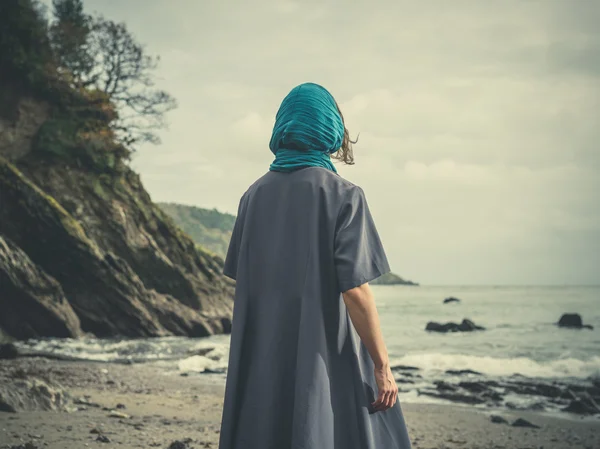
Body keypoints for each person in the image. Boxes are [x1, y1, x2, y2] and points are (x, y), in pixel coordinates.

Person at [218, 82, 412, 449]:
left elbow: (247, 281)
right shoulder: (344, 195)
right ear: (329, 129)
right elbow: (356, 291)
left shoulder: (252, 197)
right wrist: (382, 366)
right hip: (323, 354)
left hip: (262, 358)